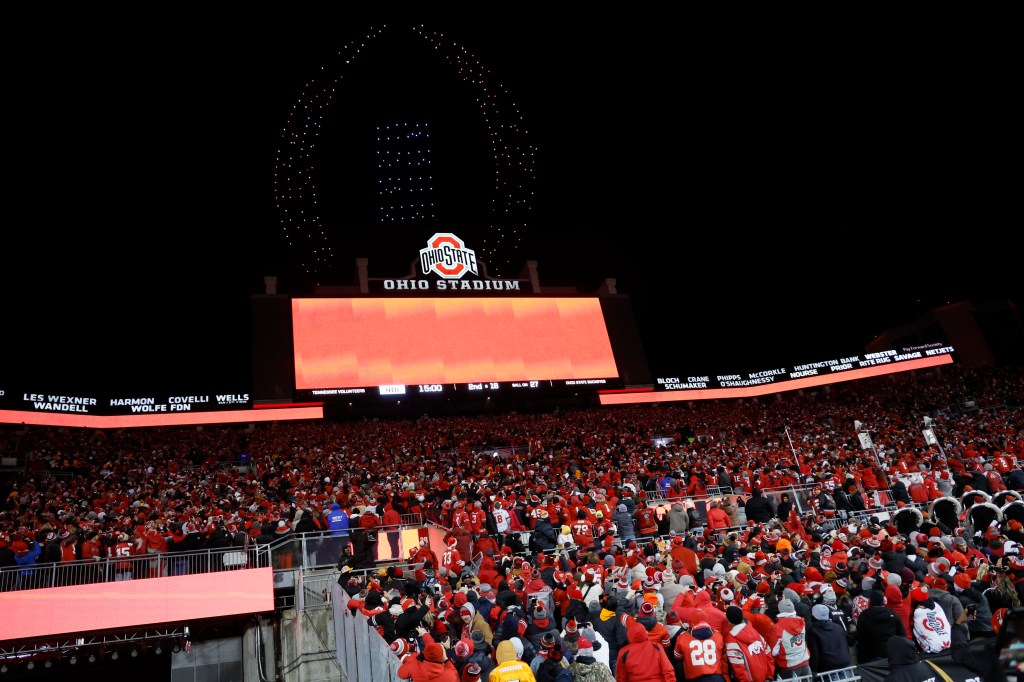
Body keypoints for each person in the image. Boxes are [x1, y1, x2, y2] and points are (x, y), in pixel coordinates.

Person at [723, 605, 775, 682]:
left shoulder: (731, 639)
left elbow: (738, 666)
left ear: (728, 621)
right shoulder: (756, 633)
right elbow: (768, 653)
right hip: (765, 678)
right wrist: (769, 676)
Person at [856, 590, 905, 663]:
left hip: (872, 656)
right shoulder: (892, 613)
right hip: (892, 654)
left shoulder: (864, 616)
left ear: (870, 601)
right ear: (882, 601)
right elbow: (902, 634)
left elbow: (860, 638)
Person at [768, 598, 811, 679]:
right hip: (805, 663)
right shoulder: (802, 621)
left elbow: (774, 652)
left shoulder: (777, 628)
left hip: (789, 667)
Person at [807, 603, 851, 676]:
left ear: (813, 615)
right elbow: (845, 646)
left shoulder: (813, 631)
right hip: (845, 665)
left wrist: (814, 671)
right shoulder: (838, 627)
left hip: (827, 670)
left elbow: (815, 654)